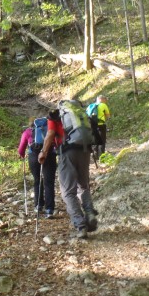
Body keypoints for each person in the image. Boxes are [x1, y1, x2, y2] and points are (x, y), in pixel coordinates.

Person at [38, 102, 97, 239]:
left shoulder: (55, 115)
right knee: (83, 186)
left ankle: (80, 225)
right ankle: (90, 213)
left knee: (67, 191)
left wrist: (43, 152)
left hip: (67, 152)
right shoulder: (80, 115)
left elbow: (51, 134)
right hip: (85, 150)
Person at [18, 117, 57, 219]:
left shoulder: (28, 132)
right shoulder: (50, 130)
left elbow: (21, 149)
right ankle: (49, 209)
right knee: (49, 182)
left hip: (34, 157)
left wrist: (22, 155)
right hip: (49, 155)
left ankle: (38, 205)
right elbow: (57, 144)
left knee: (37, 180)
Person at [93, 95, 111, 159]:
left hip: (93, 125)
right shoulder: (103, 105)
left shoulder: (92, 106)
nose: (106, 101)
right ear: (102, 99)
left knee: (95, 139)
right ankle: (102, 156)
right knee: (102, 139)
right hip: (101, 125)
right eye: (105, 100)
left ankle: (95, 155)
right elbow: (108, 115)